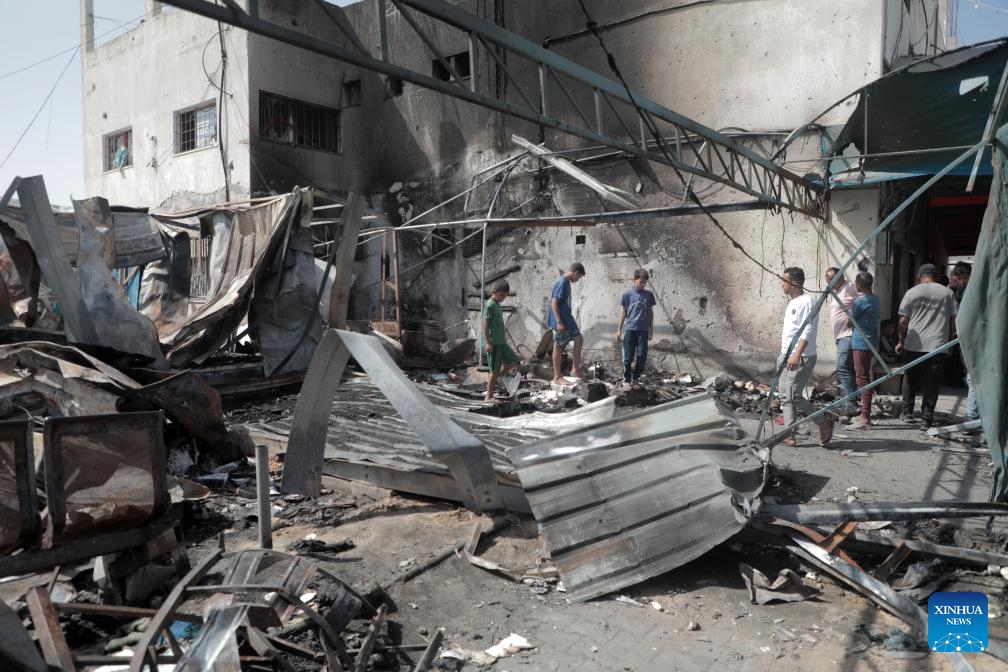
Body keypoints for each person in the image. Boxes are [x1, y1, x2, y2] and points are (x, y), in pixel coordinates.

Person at [777, 266, 834, 447]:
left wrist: (797, 355)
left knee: (794, 395)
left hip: (800, 356)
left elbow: (808, 331)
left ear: (793, 283)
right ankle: (789, 433)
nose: (781, 285)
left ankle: (823, 422)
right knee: (785, 395)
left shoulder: (807, 302)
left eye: (784, 281)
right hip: (786, 354)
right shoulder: (792, 302)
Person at [896, 263, 957, 429]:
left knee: (910, 378)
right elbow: (953, 321)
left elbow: (903, 321)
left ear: (918, 276)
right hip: (937, 346)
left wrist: (902, 341)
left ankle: (907, 413)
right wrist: (950, 340)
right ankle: (926, 419)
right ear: (935, 276)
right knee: (932, 382)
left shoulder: (911, 292)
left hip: (913, 345)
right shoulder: (948, 293)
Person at [824, 267, 860, 415]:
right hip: (840, 336)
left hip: (848, 335)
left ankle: (852, 405)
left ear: (839, 277)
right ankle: (853, 404)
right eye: (827, 280)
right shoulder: (838, 291)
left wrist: (853, 319)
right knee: (848, 369)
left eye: (830, 279)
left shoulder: (850, 287)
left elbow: (864, 302)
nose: (828, 283)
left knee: (842, 367)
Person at [848, 272, 881, 429]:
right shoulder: (876, 299)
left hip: (861, 343)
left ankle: (865, 417)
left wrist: (848, 320)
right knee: (865, 377)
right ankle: (864, 414)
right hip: (871, 342)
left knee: (862, 379)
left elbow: (850, 322)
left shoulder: (860, 302)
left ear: (860, 284)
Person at [616, 269, 657, 389]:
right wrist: (619, 330)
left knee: (642, 356)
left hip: (643, 331)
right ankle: (627, 379)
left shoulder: (649, 295)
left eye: (644, 282)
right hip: (630, 330)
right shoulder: (627, 295)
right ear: (634, 280)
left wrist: (651, 329)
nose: (642, 284)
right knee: (628, 357)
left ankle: (636, 378)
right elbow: (623, 313)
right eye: (640, 282)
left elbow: (650, 312)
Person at [547, 262, 586, 385]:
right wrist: (559, 322)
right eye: (579, 277)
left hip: (568, 319)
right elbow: (554, 303)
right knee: (558, 346)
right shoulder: (562, 282)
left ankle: (575, 369)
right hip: (560, 320)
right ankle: (557, 377)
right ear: (576, 273)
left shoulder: (567, 282)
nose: (578, 280)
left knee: (579, 339)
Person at [482, 280, 519, 401]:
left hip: (501, 342)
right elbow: (485, 325)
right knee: (494, 369)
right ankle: (489, 396)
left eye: (505, 295)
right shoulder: (490, 305)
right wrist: (488, 342)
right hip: (493, 343)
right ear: (494, 292)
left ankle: (498, 376)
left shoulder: (497, 305)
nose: (503, 298)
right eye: (502, 295)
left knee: (514, 360)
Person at [951, 262, 979, 420]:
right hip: (963, 336)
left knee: (972, 376)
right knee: (967, 373)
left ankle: (972, 415)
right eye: (959, 278)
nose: (962, 281)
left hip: (974, 336)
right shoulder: (957, 291)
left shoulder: (975, 290)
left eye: (965, 278)